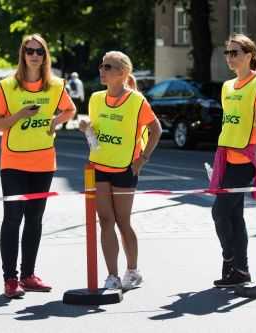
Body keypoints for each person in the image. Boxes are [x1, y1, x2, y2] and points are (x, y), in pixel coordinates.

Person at [0, 34, 76, 298]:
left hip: (43, 162)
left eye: (39, 51)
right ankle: (10, 279)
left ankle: (28, 275)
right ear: (23, 54)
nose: (34, 55)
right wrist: (18, 116)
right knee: (12, 218)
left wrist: (54, 122)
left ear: (45, 55)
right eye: (30, 50)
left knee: (34, 219)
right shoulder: (7, 86)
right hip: (13, 163)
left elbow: (70, 110)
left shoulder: (55, 86)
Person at [79, 51, 162, 290]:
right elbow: (95, 134)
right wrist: (86, 129)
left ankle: (133, 271)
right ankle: (112, 275)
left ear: (122, 73)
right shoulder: (95, 98)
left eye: (108, 67)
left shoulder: (136, 101)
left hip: (125, 169)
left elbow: (156, 130)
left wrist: (142, 159)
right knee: (105, 220)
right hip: (98, 167)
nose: (101, 71)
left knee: (123, 222)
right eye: (101, 66)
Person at [210, 34, 256, 288]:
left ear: (249, 55)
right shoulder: (226, 86)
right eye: (227, 53)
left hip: (248, 156)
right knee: (233, 214)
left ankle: (230, 258)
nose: (230, 57)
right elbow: (229, 121)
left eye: (235, 52)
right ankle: (240, 270)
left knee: (219, 211)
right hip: (228, 153)